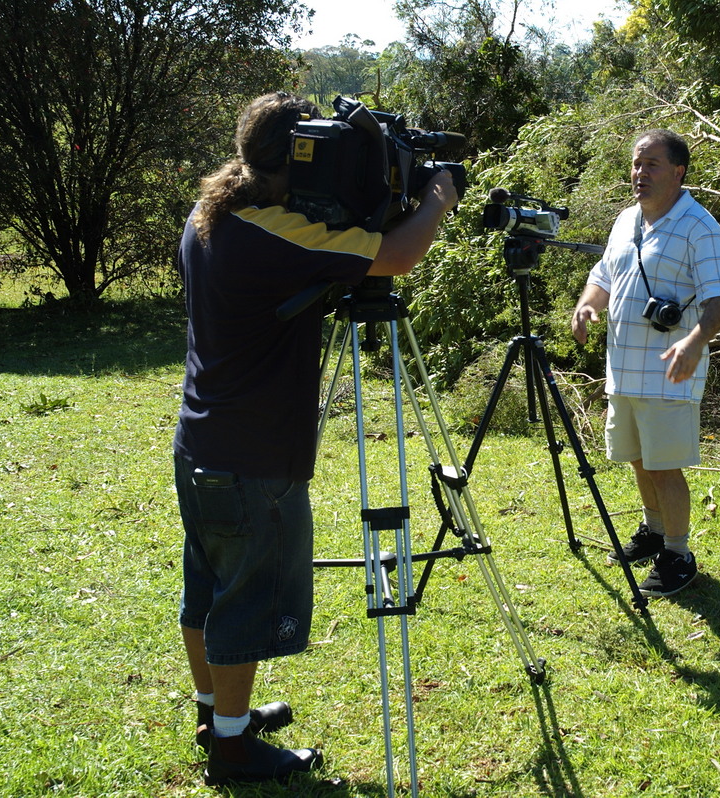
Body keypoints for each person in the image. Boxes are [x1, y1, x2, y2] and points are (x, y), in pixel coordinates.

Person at [173, 91, 458, 786]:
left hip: (202, 439)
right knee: (245, 601)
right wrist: (436, 202)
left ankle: (218, 715)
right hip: (254, 454)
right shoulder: (279, 232)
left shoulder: (210, 213)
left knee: (208, 590)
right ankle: (235, 752)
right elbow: (395, 256)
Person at [571, 129, 720, 598]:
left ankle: (679, 554)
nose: (640, 174)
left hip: (670, 367)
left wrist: (694, 343)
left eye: (652, 165)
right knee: (640, 458)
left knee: (665, 466)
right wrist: (588, 306)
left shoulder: (699, 226)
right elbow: (603, 275)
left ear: (678, 172)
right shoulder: (626, 220)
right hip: (623, 366)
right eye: (636, 164)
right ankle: (653, 531)